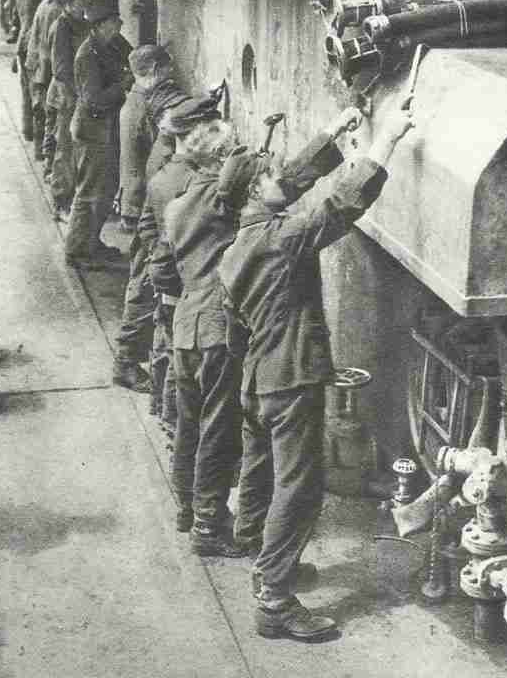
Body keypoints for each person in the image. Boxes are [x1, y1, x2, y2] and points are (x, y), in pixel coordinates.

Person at [217, 106, 414, 640]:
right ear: (255, 193)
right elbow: (336, 207)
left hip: (259, 379)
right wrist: (384, 143)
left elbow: (289, 183)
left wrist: (334, 131)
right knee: (300, 489)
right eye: (268, 177)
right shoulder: (280, 241)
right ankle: (274, 599)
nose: (279, 178)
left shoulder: (241, 241)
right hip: (290, 379)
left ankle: (261, 552)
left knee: (259, 474)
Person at [157, 119, 248, 555]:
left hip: (186, 326)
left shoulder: (177, 205)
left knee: (188, 423)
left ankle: (187, 509)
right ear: (220, 158)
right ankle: (209, 527)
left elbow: (163, 268)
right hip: (216, 328)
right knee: (220, 428)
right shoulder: (220, 199)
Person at [112, 82, 223, 392]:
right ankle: (127, 364)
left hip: (158, 247)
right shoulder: (183, 172)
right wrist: (166, 250)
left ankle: (156, 393)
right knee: (150, 310)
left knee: (155, 313)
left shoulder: (167, 149)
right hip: (168, 256)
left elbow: (148, 220)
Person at [64, 0, 133, 269]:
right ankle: (77, 251)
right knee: (90, 191)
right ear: (101, 25)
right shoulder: (87, 54)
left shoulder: (112, 44)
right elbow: (94, 99)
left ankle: (92, 242)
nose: (121, 23)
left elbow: (133, 56)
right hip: (92, 131)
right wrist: (125, 82)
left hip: (106, 128)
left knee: (106, 189)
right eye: (116, 20)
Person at [24, 0, 81, 170]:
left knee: (48, 117)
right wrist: (50, 80)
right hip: (47, 71)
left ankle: (45, 157)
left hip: (42, 68)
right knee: (52, 119)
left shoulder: (47, 5)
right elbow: (50, 50)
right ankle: (48, 162)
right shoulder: (57, 13)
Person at [119, 46, 173, 234]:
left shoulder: (138, 98)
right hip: (137, 207)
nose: (170, 73)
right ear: (154, 69)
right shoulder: (140, 107)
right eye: (167, 68)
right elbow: (141, 163)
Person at [47, 0, 88, 220]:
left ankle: (73, 196)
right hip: (66, 97)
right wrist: (83, 91)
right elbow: (61, 69)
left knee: (76, 147)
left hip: (79, 95)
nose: (83, 4)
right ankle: (61, 202)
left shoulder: (80, 23)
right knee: (65, 149)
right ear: (68, 3)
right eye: (78, 1)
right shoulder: (61, 27)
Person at [13, 0, 52, 144]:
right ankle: (40, 136)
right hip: (35, 44)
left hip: (22, 43)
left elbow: (16, 20)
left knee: (26, 90)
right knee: (40, 90)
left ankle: (27, 129)